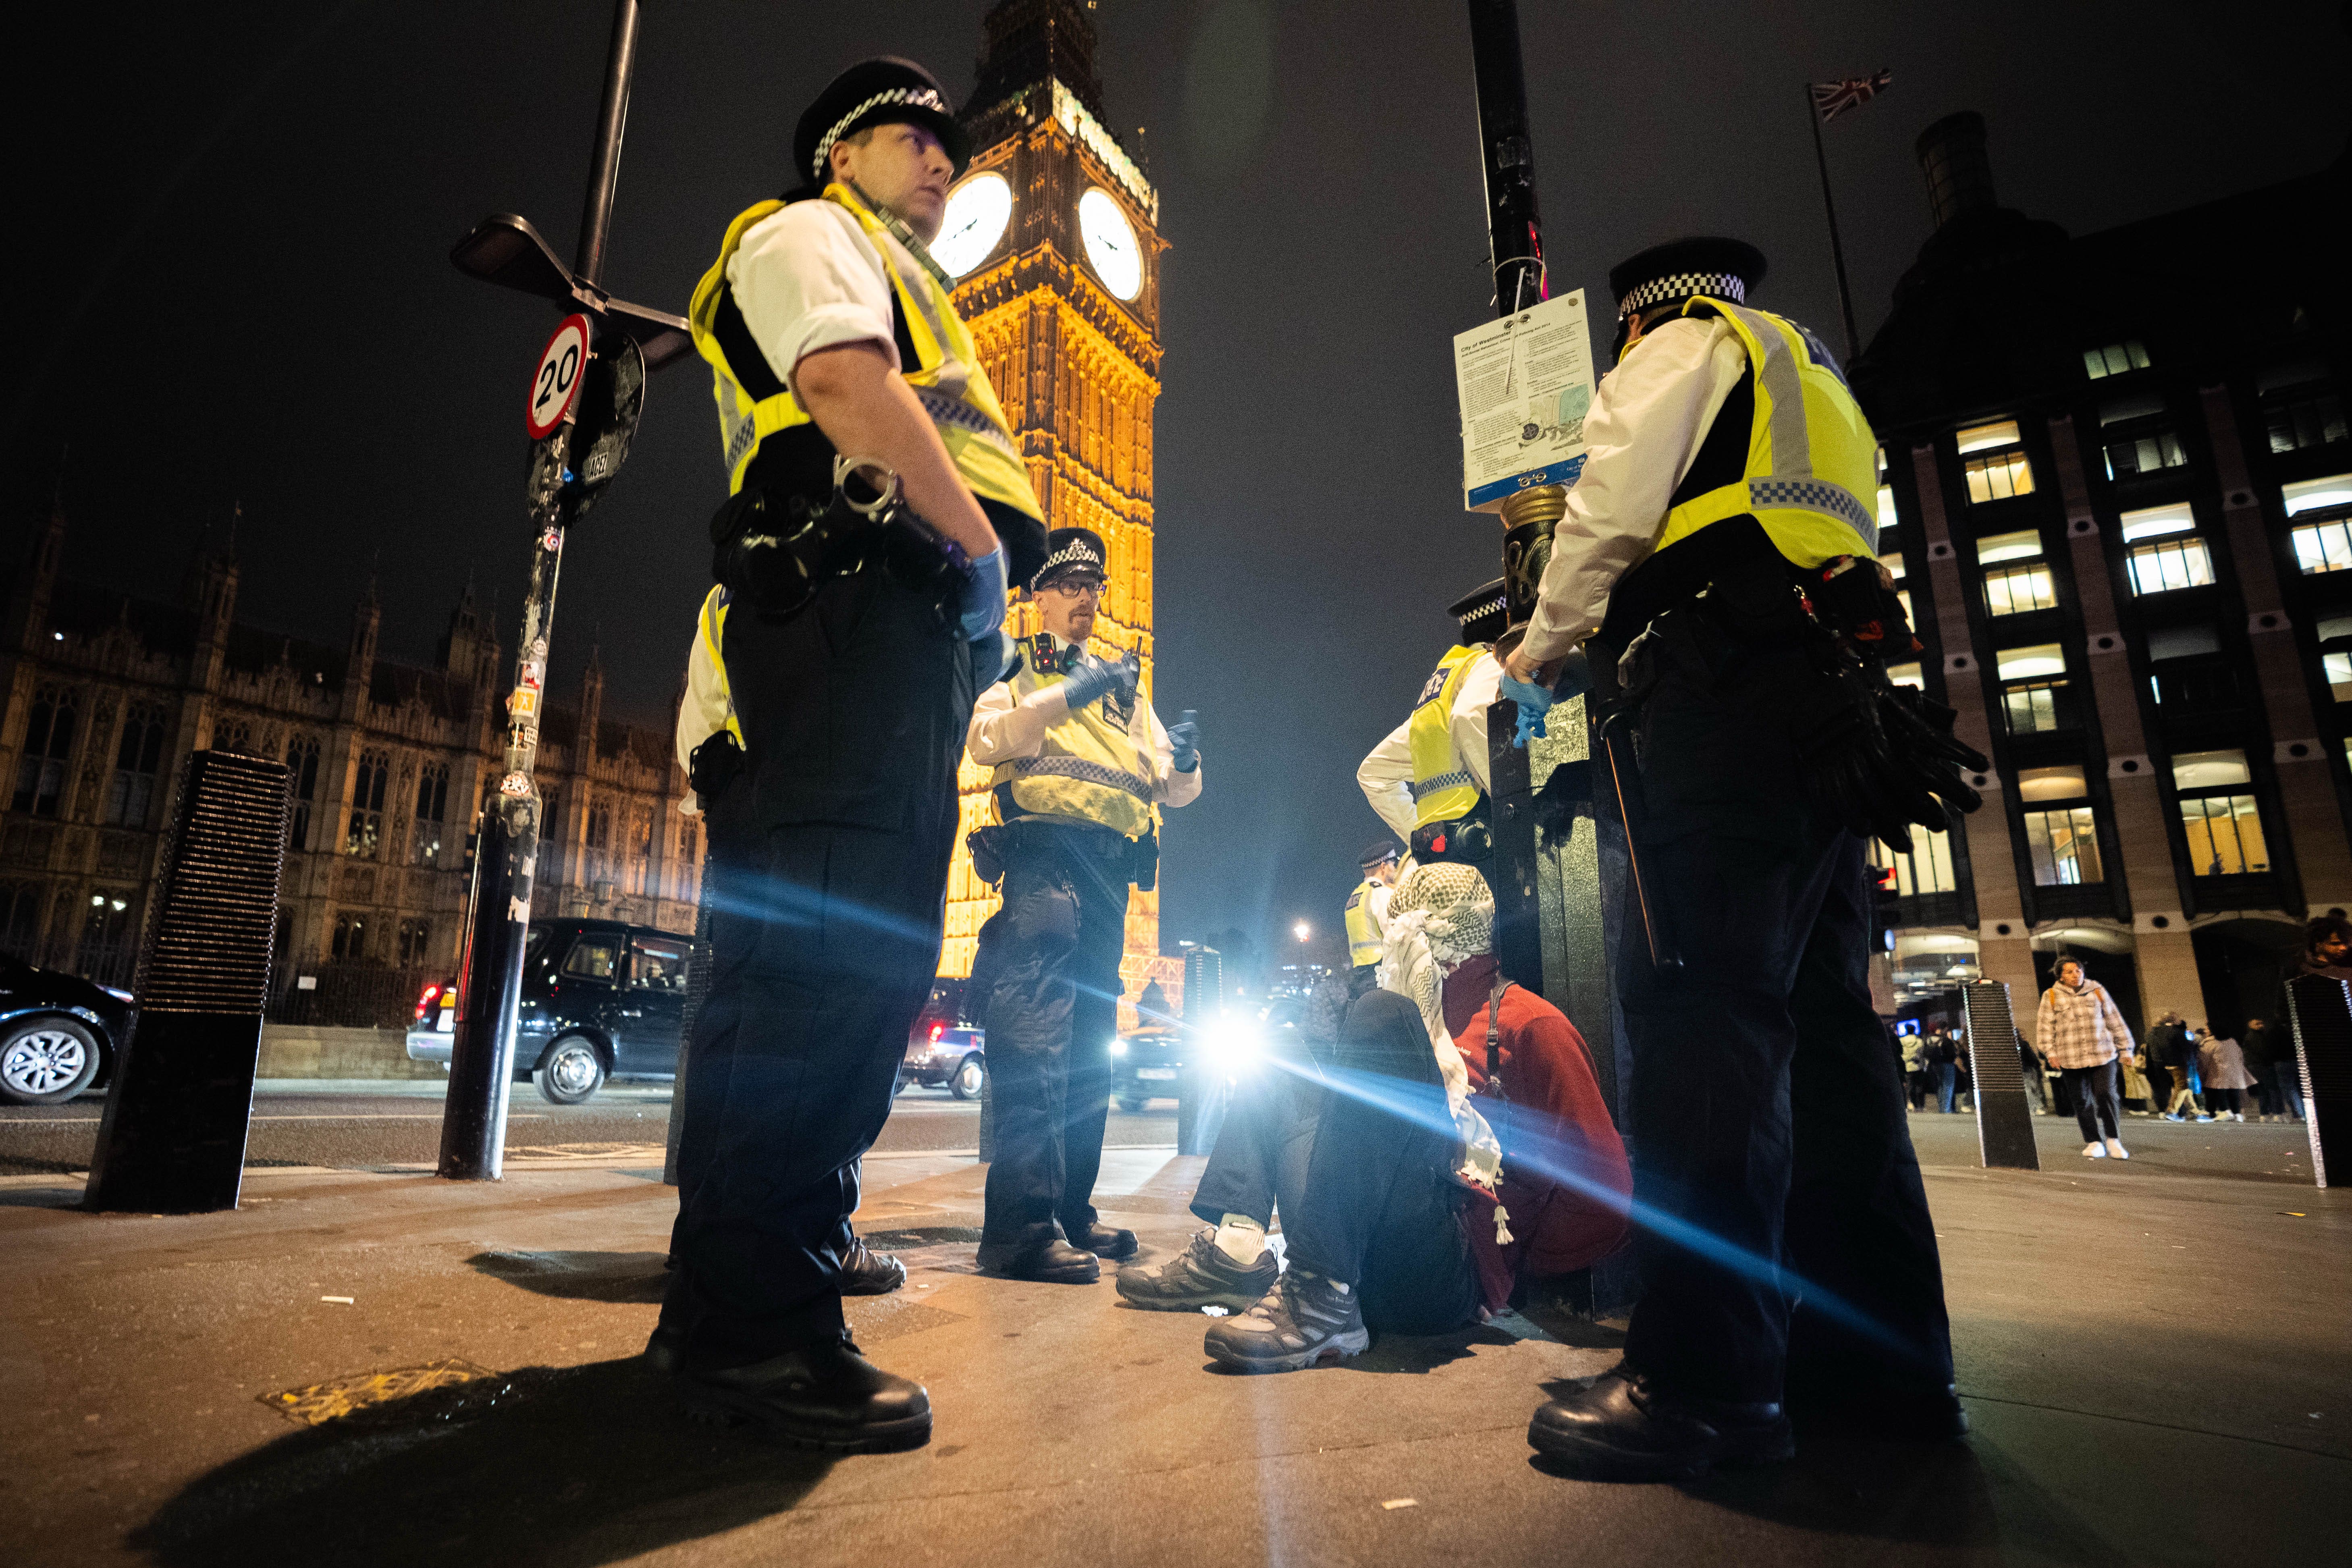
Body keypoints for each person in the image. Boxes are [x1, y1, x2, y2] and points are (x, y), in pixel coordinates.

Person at [1497, 238, 1963, 1479]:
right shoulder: (1812, 375)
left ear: (1632, 321)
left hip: (1714, 695)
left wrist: (1540, 646)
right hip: (1831, 714)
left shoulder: (1677, 352)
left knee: (1707, 1020)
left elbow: (1607, 512)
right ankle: (1881, 1366)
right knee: (1831, 1043)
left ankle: (1703, 1383)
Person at [652, 56, 1051, 1453]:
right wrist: (984, 559)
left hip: (886, 633)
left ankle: (750, 1298)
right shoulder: (807, 234)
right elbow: (838, 383)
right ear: (838, 153)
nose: (942, 163)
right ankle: (751, 1332)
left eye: (951, 148)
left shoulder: (899, 269)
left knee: (848, 965)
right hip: (849, 612)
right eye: (912, 140)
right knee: (826, 968)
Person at [1113, 862, 1631, 1369]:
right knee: (1278, 1047)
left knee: (1382, 1012)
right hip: (1351, 1251)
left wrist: (1515, 1268)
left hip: (1437, 1274)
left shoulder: (1529, 1026)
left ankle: (1324, 1296)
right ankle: (1238, 1252)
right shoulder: (1405, 1008)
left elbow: (1605, 1190)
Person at [964, 526, 1203, 1282]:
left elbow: (1173, 785)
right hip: (1043, 864)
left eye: (1094, 588)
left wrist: (1191, 763)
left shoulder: (1125, 687)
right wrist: (1069, 693)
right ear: (1038, 597)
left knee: (1089, 1052)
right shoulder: (1015, 665)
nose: (1085, 601)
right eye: (1069, 587)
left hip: (1107, 878)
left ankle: (1069, 1211)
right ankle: (1018, 1229)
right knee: (1035, 1038)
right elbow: (985, 741)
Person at [1357, 581, 1510, 866]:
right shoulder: (1490, 665)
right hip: (1486, 848)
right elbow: (1469, 716)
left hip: (1446, 864)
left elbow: (1373, 773)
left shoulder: (1442, 690)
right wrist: (1513, 806)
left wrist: (1422, 838)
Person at [2035, 959, 2134, 1159]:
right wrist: (2050, 1052)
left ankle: (2113, 1139)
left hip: (2103, 1053)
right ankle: (2094, 1142)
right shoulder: (2051, 996)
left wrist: (2126, 1049)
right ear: (2061, 976)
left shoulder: (2097, 990)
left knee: (2106, 1094)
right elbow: (2045, 1027)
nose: (2076, 974)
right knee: (2082, 1101)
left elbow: (2114, 1019)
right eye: (2070, 972)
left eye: (2078, 970)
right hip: (2071, 1057)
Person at [1344, 839, 1402, 995]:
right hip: (1381, 975)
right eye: (1394, 864)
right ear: (1384, 867)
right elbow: (1396, 936)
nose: (1396, 869)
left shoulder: (1356, 896)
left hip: (1360, 977)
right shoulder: (1382, 894)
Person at [2194, 1026, 2255, 1122]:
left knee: (2220, 1093)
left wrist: (2202, 1073)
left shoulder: (2209, 1043)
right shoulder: (2231, 1041)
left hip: (2218, 1073)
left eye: (2207, 1029)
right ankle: (2238, 1114)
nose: (2205, 1031)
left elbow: (2204, 1061)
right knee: (2234, 1092)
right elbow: (2240, 1055)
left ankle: (2225, 1112)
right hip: (2235, 1072)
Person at [1899, 1030, 1928, 1111]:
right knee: (1920, 1086)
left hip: (1907, 1067)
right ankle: (1921, 1105)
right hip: (1918, 1066)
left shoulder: (1902, 1041)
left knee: (1910, 1086)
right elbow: (1922, 1053)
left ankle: (1912, 1103)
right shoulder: (1919, 1041)